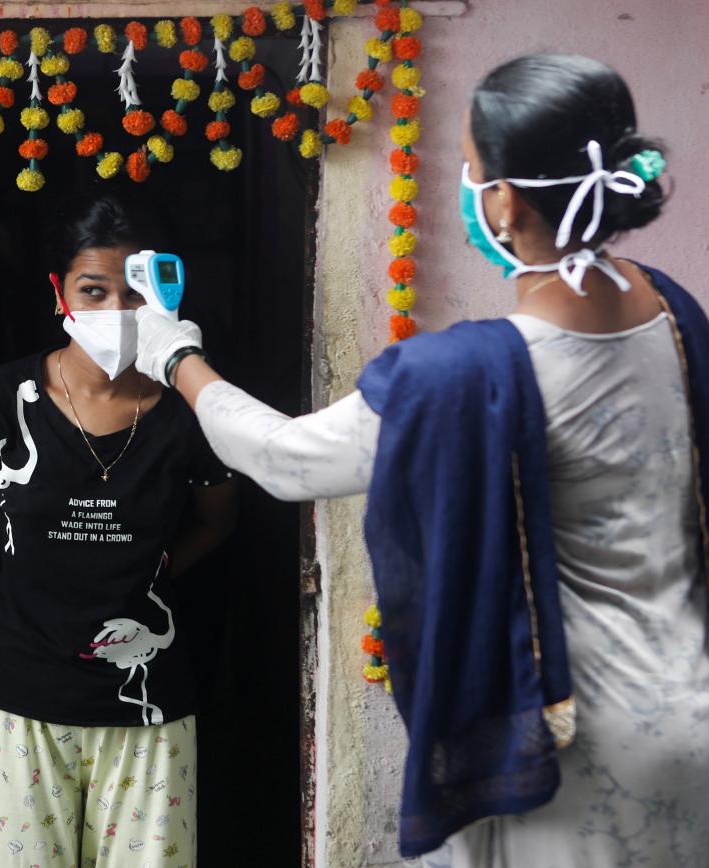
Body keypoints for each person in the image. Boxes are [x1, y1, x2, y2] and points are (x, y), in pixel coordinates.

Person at [137, 53, 708, 867]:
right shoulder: (674, 312)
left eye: (471, 171)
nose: (469, 189)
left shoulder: (461, 378)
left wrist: (175, 356)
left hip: (562, 753)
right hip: (688, 719)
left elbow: (283, 459)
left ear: (502, 202)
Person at [0, 192, 238, 866]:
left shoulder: (189, 411)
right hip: (16, 710)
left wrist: (148, 571)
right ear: (59, 293)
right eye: (94, 290)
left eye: (134, 294)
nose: (116, 312)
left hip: (149, 719)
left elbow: (218, 521)